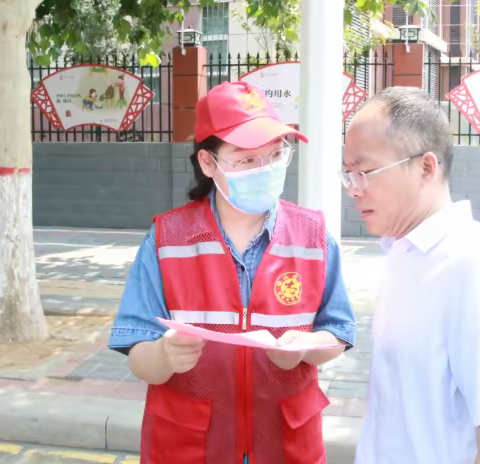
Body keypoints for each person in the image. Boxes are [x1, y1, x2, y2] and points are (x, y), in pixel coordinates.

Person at [109, 81, 355, 464]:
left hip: (286, 444)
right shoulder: (166, 239)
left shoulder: (313, 236)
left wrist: (305, 349)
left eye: (275, 155)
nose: (265, 170)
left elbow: (338, 332)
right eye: (245, 160)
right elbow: (138, 354)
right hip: (190, 446)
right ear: (208, 163)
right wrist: (164, 355)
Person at [342, 86, 480, 464]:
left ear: (426, 166)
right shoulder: (402, 252)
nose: (354, 190)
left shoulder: (468, 265)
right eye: (348, 174)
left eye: (365, 172)